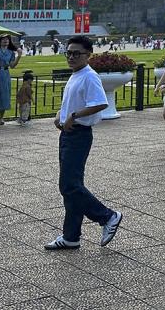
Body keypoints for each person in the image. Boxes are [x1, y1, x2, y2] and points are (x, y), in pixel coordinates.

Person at [45, 35, 123, 251]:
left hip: (79, 134)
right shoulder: (76, 74)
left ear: (88, 55)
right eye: (68, 53)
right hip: (68, 134)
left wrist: (74, 116)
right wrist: (61, 116)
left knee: (69, 185)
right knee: (71, 186)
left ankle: (107, 216)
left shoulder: (89, 76)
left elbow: (99, 103)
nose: (71, 57)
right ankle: (71, 236)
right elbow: (72, 101)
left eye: (76, 53)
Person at [0, 34, 21, 126]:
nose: (5, 41)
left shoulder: (10, 52)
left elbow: (12, 65)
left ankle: (1, 117)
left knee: (4, 94)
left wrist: (19, 56)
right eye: (3, 39)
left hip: (5, 74)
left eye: (7, 39)